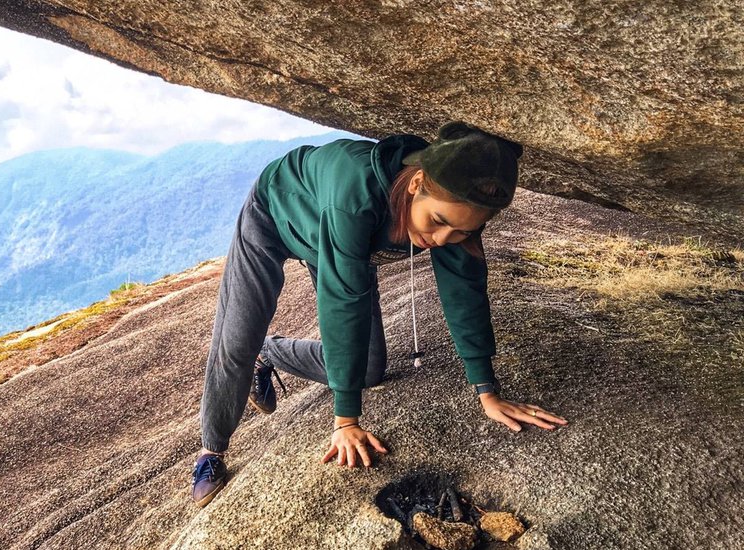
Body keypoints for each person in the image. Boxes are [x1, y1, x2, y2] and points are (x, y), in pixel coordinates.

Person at [191, 121, 569, 507]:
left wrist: (487, 391)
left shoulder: (456, 215)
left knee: (369, 369)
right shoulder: (357, 196)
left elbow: (465, 292)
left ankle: (270, 353)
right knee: (238, 337)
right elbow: (343, 302)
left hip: (339, 244)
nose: (442, 240)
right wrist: (346, 421)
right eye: (437, 222)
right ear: (415, 183)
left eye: (461, 232)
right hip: (275, 214)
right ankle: (211, 451)